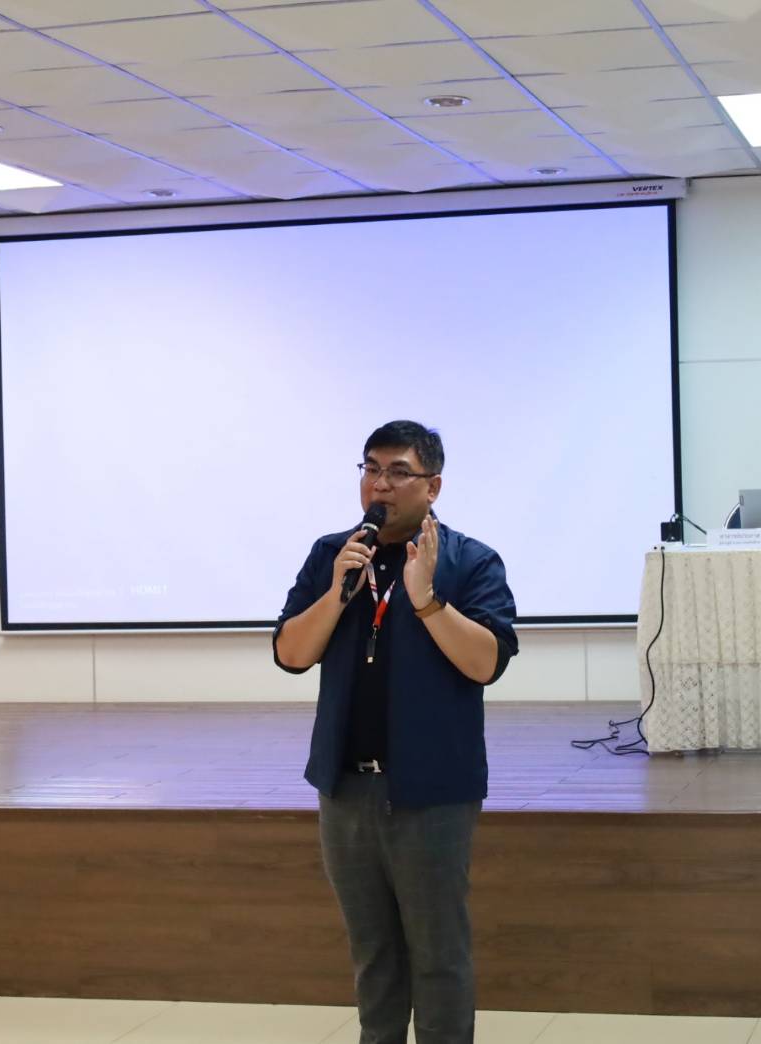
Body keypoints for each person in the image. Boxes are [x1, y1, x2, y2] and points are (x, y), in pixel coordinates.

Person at [274, 420, 518, 1044]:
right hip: (345, 789)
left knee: (438, 956)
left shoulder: (470, 561)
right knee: (373, 956)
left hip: (431, 791)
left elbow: (486, 663)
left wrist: (427, 599)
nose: (379, 484)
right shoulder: (333, 555)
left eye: (398, 472)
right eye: (371, 469)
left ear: (432, 486)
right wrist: (338, 593)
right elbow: (291, 654)